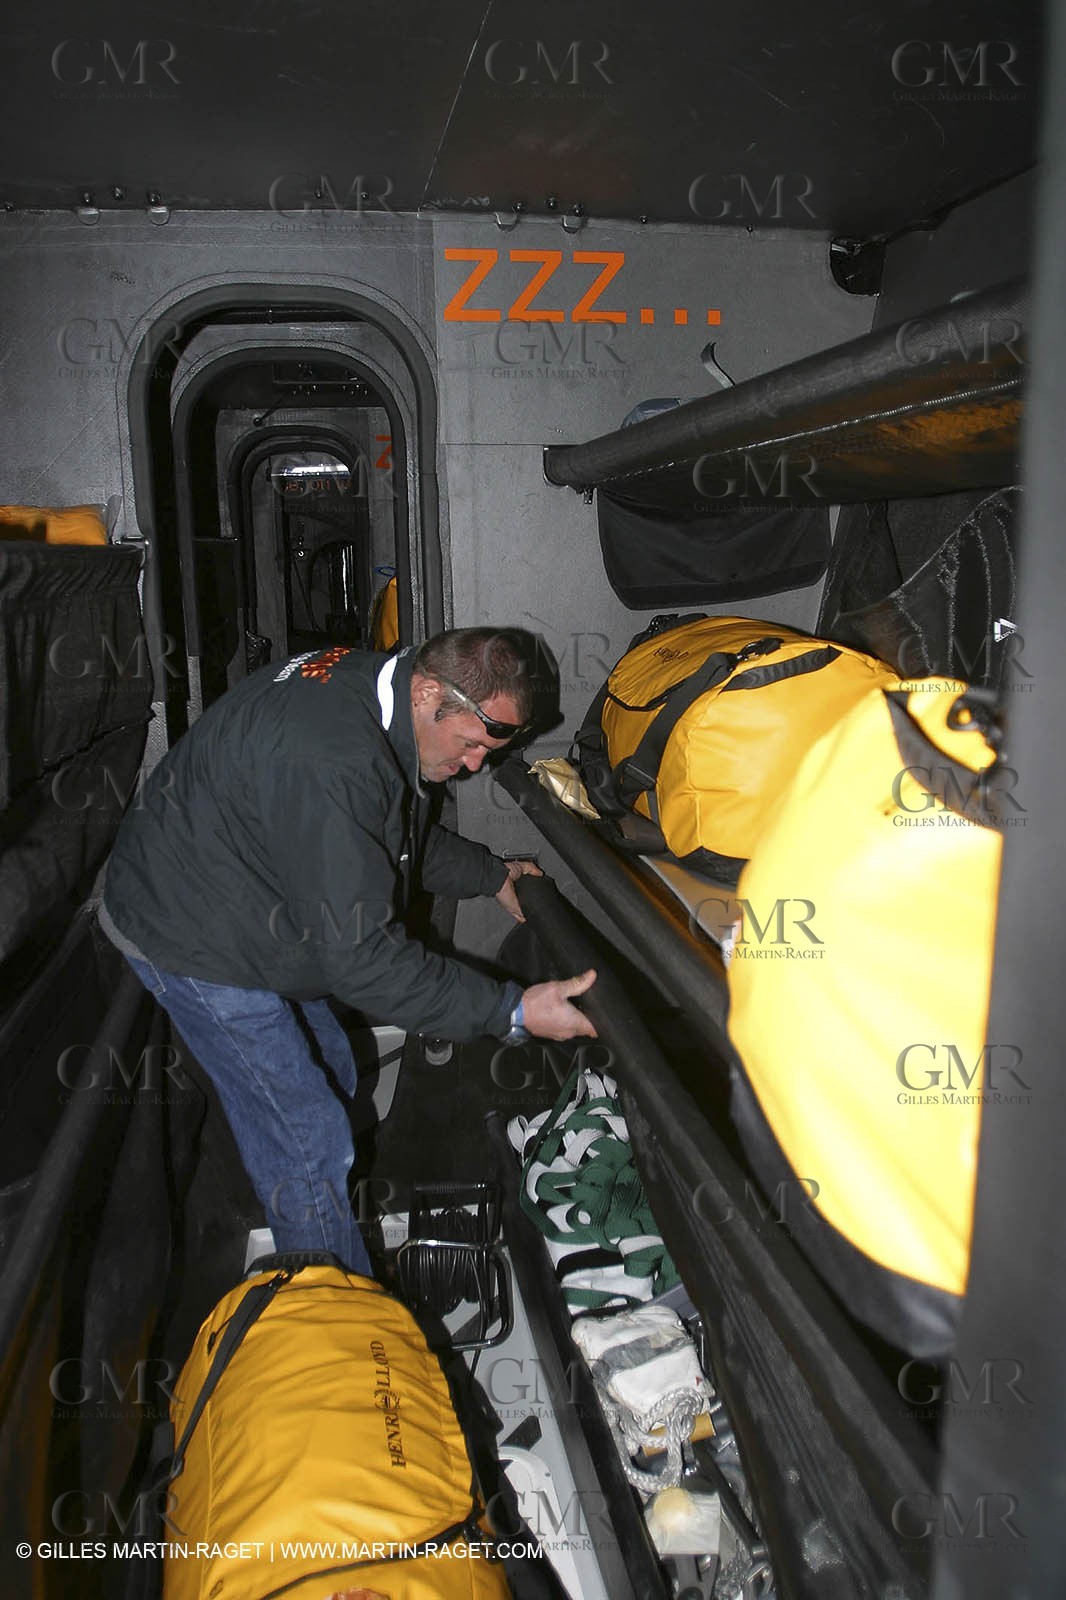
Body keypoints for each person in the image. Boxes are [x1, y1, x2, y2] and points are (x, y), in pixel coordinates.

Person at [98, 628, 596, 1277]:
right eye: (471, 744)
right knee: (306, 1134)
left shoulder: (379, 696)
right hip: (192, 928)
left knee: (334, 1058)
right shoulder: (333, 756)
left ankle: (327, 1211)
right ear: (427, 691)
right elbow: (364, 962)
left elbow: (393, 836)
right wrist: (515, 1010)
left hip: (251, 891)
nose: (475, 765)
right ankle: (338, 1303)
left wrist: (490, 875)